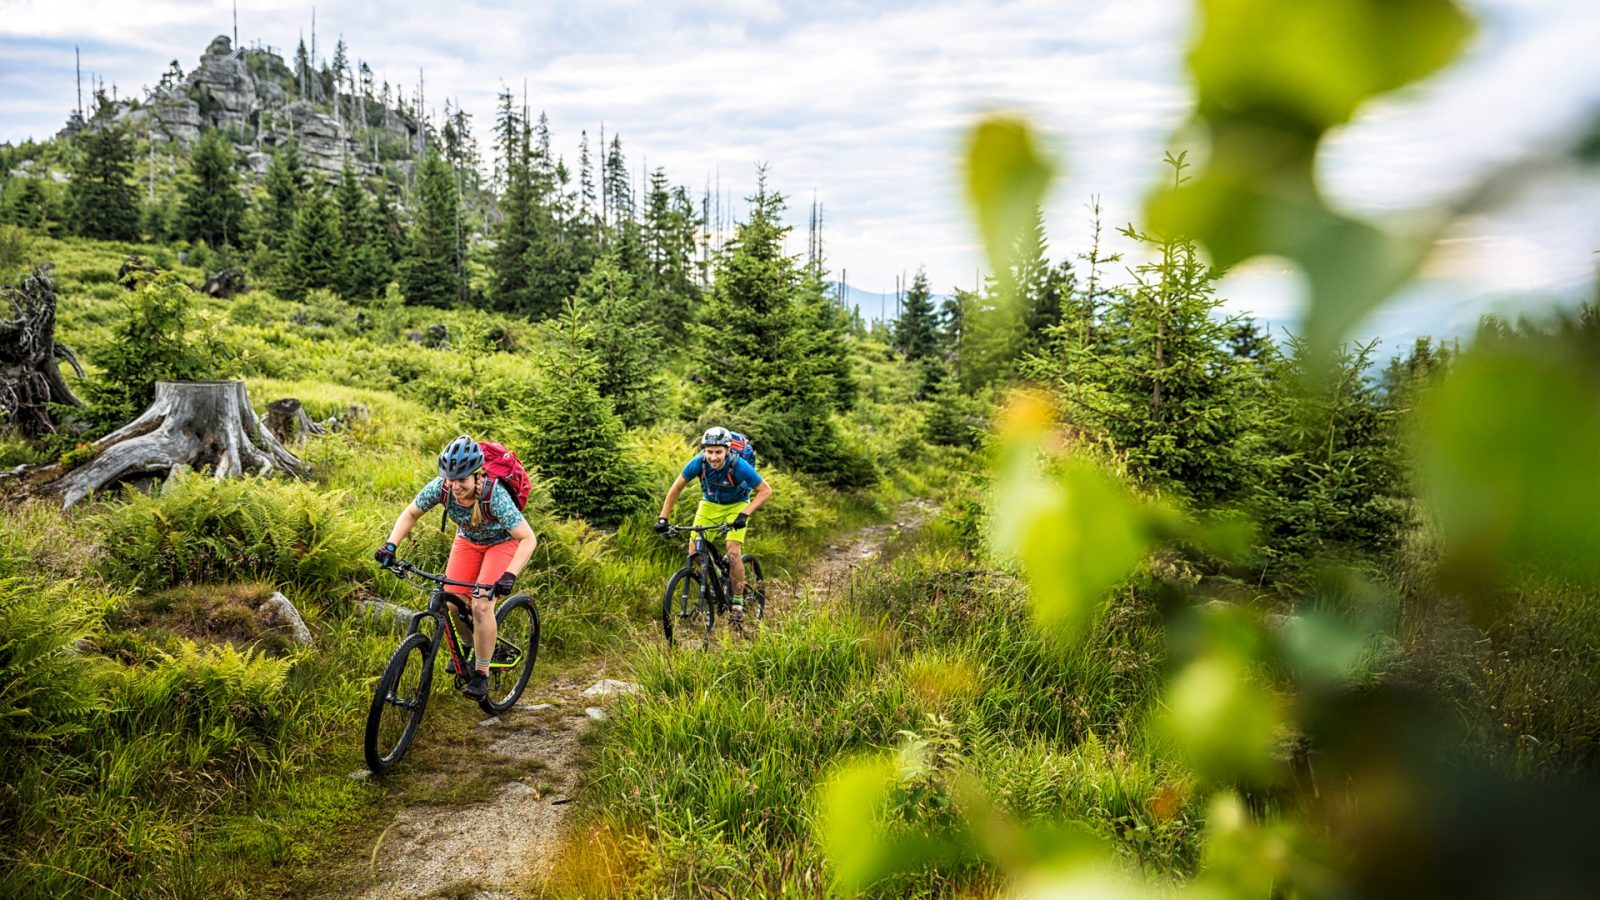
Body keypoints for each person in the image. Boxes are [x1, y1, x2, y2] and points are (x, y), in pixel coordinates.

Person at [375, 435, 537, 698]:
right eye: (450, 479)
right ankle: (470, 646)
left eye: (462, 480)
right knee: (451, 601)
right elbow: (411, 513)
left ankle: (481, 674)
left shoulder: (494, 495)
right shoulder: (441, 488)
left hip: (502, 544)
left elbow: (528, 539)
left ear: (477, 476)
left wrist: (510, 574)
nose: (455, 486)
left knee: (481, 605)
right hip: (468, 541)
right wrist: (391, 546)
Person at [654, 426, 772, 623]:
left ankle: (737, 603)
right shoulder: (698, 463)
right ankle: (718, 575)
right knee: (694, 551)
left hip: (737, 505)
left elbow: (765, 491)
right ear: (704, 451)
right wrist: (663, 518)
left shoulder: (739, 465)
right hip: (709, 505)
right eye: (709, 451)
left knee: (733, 552)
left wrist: (744, 514)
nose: (713, 457)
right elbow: (676, 488)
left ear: (727, 450)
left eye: (718, 452)